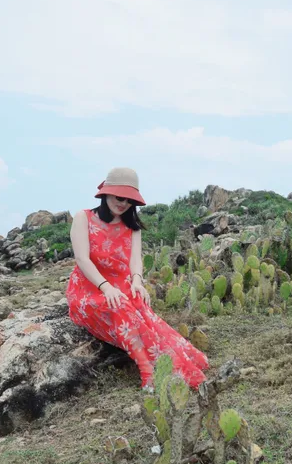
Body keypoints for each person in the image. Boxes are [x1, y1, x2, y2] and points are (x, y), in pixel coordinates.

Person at [65, 167, 209, 390]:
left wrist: (137, 282)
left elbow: (135, 260)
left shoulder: (132, 227)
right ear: (106, 193)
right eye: (119, 197)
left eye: (129, 200)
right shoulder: (83, 218)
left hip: (121, 285)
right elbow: (82, 260)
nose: (123, 203)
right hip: (88, 287)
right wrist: (105, 287)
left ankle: (177, 363)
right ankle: (147, 370)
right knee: (120, 305)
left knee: (145, 316)